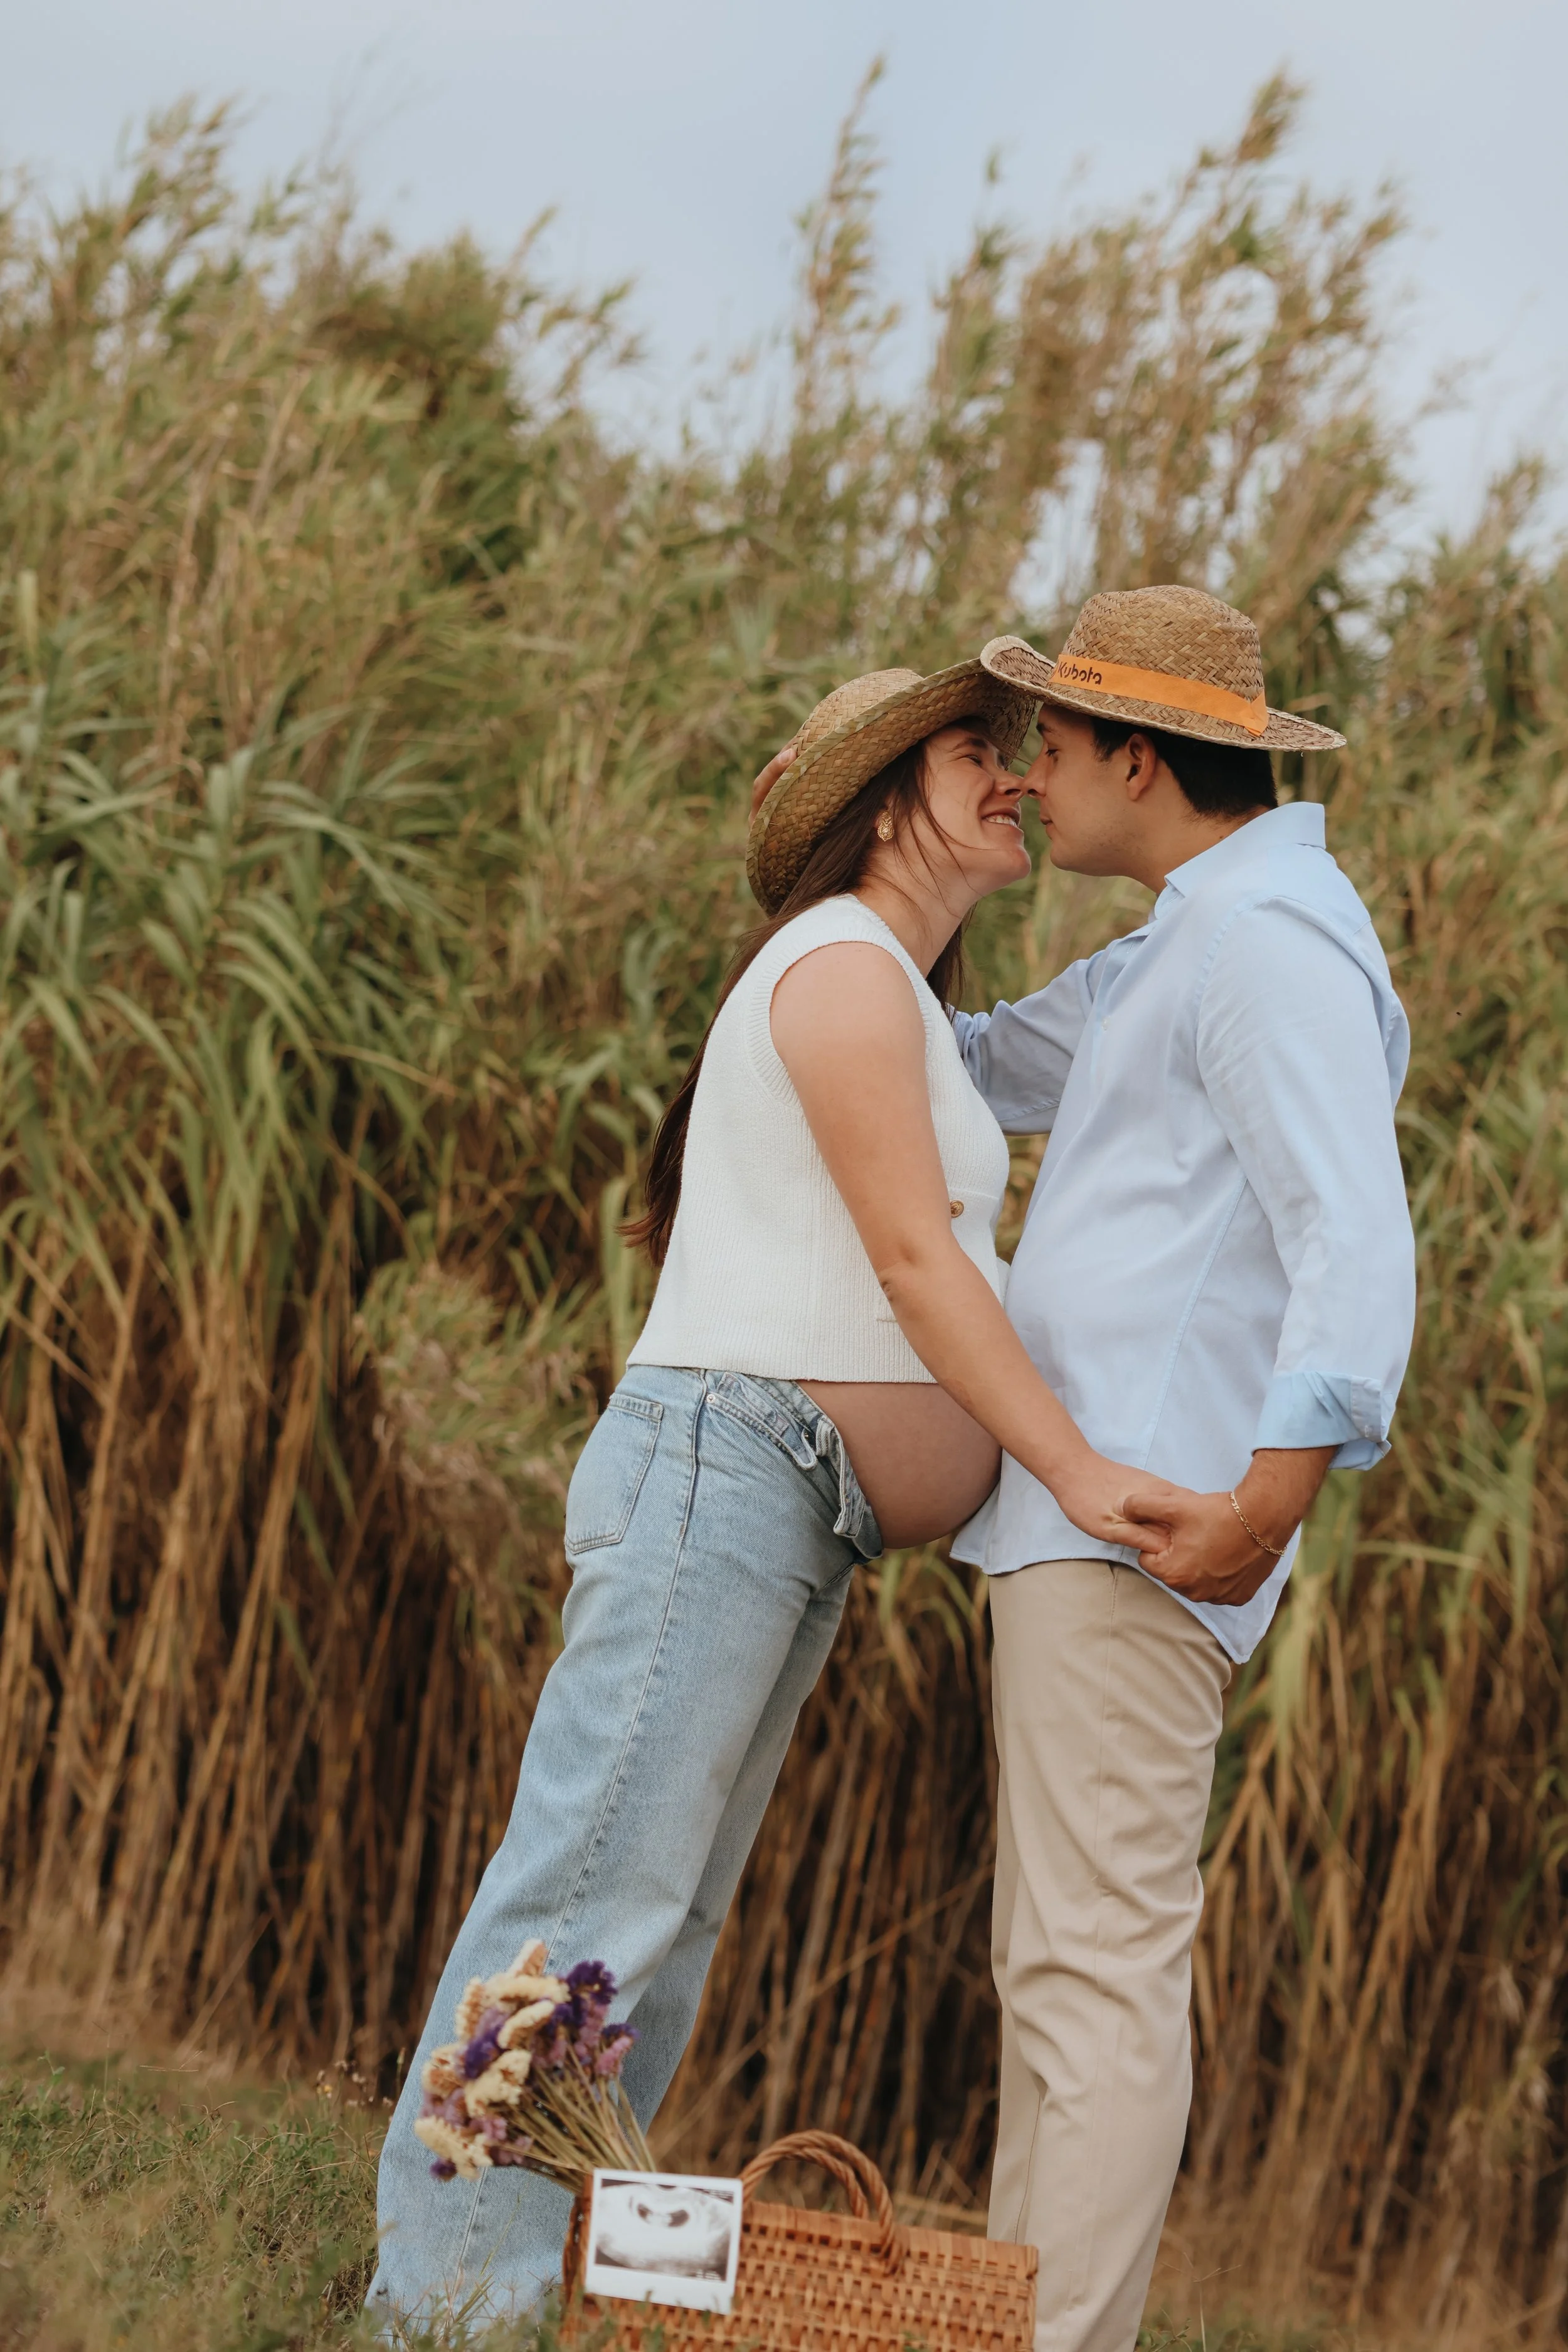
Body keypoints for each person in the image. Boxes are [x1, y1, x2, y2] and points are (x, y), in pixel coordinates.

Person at [369, 654, 1192, 2324]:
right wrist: (1072, 1466)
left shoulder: (888, 989)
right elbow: (908, 1255)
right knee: (578, 1906)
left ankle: (540, 2286)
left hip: (775, 1507)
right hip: (721, 1479)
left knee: (640, 1928)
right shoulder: (832, 968)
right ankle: (440, 2297)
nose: (1022, 778)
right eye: (981, 750)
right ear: (882, 796)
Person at [907, 586, 1414, 2352]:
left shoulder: (1267, 947)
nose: (1030, 777)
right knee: (1059, 1966)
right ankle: (1009, 2326)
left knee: (1094, 1973)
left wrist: (1265, 1496)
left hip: (1144, 1513)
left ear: (1137, 755)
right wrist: (892, 886)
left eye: (1044, 747)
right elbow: (966, 1070)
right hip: (1090, 1510)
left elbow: (1352, 1237)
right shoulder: (1186, 941)